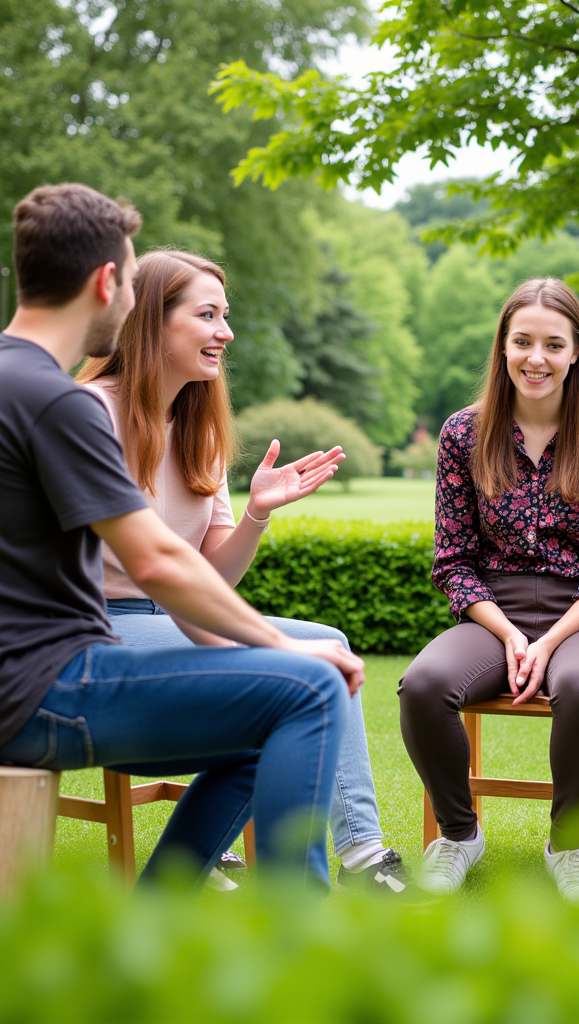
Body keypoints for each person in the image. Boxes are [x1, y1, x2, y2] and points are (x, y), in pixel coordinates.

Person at [0, 183, 363, 891]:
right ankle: (305, 943)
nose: (132, 301)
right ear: (107, 283)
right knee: (310, 687)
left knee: (277, 710)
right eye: (133, 283)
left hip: (38, 677)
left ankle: (159, 912)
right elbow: (157, 561)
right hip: (45, 686)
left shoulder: (19, 381)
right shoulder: (62, 401)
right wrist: (285, 644)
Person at [74, 249, 422, 900]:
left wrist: (257, 513)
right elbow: (158, 568)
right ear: (151, 322)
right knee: (298, 681)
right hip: (103, 631)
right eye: (207, 315)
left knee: (329, 647)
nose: (226, 333)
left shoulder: (199, 427)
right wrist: (266, 642)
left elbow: (208, 580)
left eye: (225, 316)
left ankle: (359, 853)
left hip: (176, 620)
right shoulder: (93, 414)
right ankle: (303, 895)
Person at [399, 278, 579, 903]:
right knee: (423, 686)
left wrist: (552, 639)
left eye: (553, 344)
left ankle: (568, 842)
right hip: (491, 612)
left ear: (576, 352)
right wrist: (510, 634)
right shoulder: (463, 433)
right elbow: (452, 561)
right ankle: (459, 834)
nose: (536, 358)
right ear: (503, 347)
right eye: (522, 342)